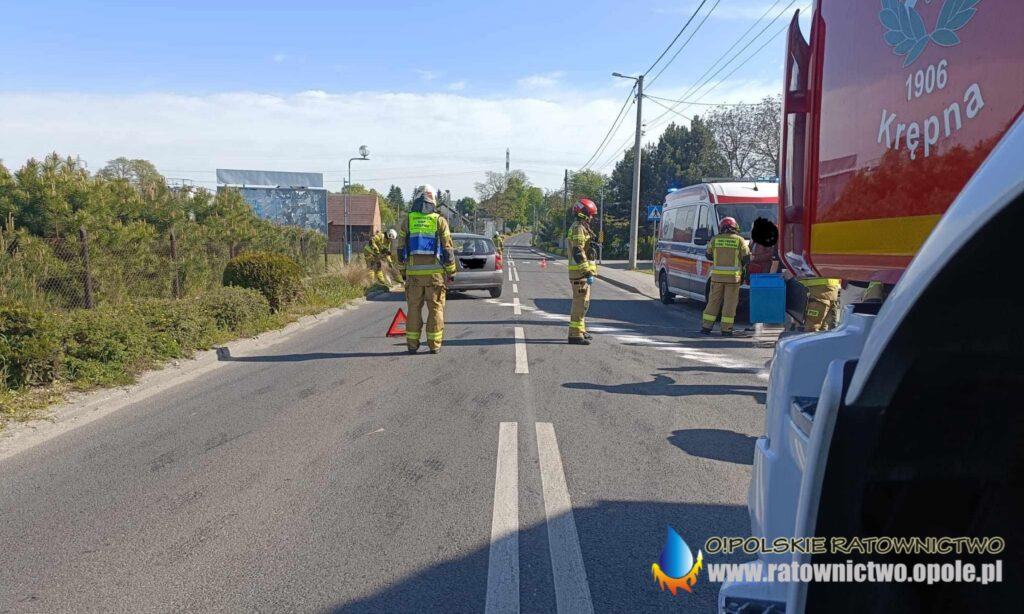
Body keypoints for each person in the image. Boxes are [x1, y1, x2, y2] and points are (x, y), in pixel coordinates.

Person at [393, 185, 456, 354]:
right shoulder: (439, 221)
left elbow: (400, 249)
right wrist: (451, 272)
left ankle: (412, 344)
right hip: (435, 277)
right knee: (435, 309)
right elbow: (448, 249)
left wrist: (403, 271)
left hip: (413, 276)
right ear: (433, 200)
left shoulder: (408, 220)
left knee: (414, 309)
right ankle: (434, 345)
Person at [701, 217, 751, 337]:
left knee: (713, 302)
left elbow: (708, 255)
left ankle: (706, 327)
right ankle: (726, 330)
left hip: (716, 278)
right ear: (734, 227)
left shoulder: (715, 239)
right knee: (730, 304)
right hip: (733, 279)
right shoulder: (739, 240)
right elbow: (746, 258)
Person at [567, 198, 598, 345]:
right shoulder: (579, 228)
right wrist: (587, 271)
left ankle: (580, 330)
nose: (591, 217)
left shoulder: (581, 227)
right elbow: (578, 251)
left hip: (580, 273)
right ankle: (575, 335)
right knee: (580, 304)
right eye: (590, 214)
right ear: (583, 213)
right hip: (580, 273)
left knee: (583, 303)